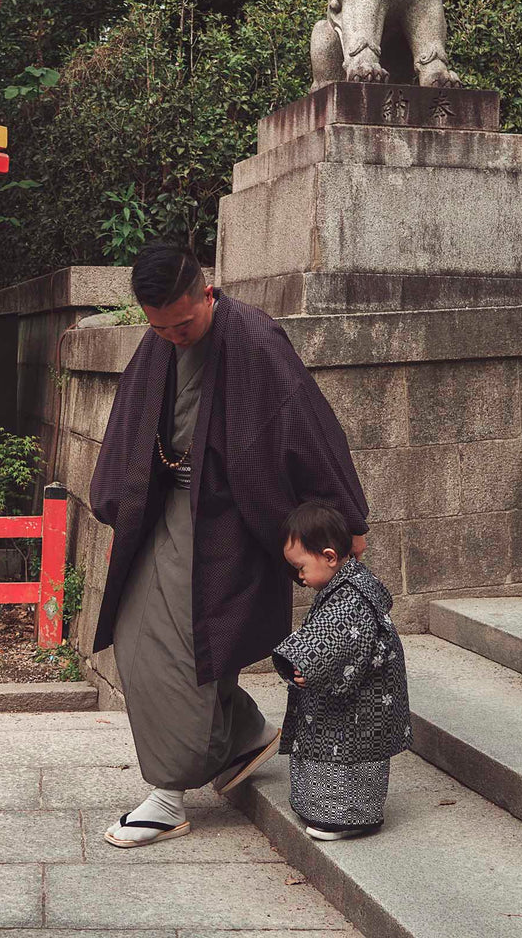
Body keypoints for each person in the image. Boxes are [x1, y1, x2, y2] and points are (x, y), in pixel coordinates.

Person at [89, 242, 370, 848]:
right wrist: (117, 507)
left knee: (188, 642)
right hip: (165, 506)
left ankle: (168, 795)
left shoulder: (256, 339)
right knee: (138, 634)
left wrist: (346, 519)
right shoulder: (159, 344)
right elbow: (129, 423)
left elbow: (309, 428)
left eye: (183, 323)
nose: (174, 337)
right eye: (160, 328)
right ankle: (241, 731)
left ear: (206, 291)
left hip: (229, 516)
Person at [273, 500, 410, 841]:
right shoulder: (347, 587)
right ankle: (326, 810)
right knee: (339, 751)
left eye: (301, 567)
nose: (299, 577)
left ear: (330, 557)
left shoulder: (350, 598)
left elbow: (334, 638)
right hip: (357, 697)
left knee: (348, 755)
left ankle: (344, 817)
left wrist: (306, 664)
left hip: (359, 706)